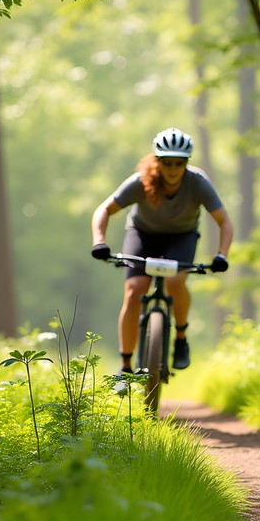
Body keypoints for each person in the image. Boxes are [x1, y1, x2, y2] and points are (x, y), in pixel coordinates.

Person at [91, 127, 234, 377]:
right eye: (166, 162)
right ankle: (125, 365)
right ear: (157, 161)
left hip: (181, 236)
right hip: (142, 234)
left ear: (186, 163)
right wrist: (99, 241)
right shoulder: (140, 182)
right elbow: (104, 210)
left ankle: (180, 337)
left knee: (176, 282)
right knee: (135, 289)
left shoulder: (198, 182)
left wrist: (222, 254)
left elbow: (225, 222)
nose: (172, 169)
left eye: (179, 163)